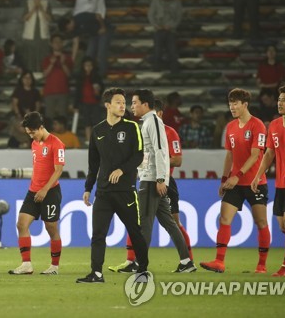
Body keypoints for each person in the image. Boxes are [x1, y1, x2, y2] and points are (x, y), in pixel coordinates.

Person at [109, 98, 193, 273]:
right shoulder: (144, 128)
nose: (133, 107)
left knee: (145, 222)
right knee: (168, 223)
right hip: (154, 179)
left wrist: (160, 177)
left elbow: (174, 159)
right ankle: (186, 261)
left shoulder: (167, 132)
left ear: (158, 113)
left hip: (158, 181)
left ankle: (140, 263)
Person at [76, 88, 149, 283]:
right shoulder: (97, 130)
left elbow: (139, 155)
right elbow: (93, 163)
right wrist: (87, 188)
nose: (122, 105)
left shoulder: (132, 127)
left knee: (135, 231)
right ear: (107, 105)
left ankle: (142, 270)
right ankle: (96, 273)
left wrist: (122, 170)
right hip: (103, 192)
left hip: (125, 191)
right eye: (118, 102)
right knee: (98, 234)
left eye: (124, 102)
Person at [200, 88, 270, 274]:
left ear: (245, 104)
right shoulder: (230, 127)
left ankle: (261, 265)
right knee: (224, 218)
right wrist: (224, 179)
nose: (232, 107)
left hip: (255, 182)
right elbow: (229, 155)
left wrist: (236, 175)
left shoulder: (258, 125)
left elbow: (256, 155)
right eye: (230, 104)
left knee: (261, 222)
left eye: (235, 103)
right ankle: (219, 261)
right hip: (235, 183)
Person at [251, 84, 285, 277]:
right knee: (283, 226)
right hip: (281, 183)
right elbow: (268, 154)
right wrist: (258, 175)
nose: (280, 103)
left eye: (284, 100)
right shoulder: (274, 125)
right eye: (279, 99)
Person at [9, 111, 65, 275]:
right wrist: (36, 186)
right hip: (33, 191)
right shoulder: (34, 144)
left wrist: (45, 189)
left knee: (51, 228)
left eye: (33, 132)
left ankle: (54, 266)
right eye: (28, 133)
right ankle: (26, 264)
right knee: (21, 224)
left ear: (41, 127)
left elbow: (59, 170)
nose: (31, 136)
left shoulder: (56, 143)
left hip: (50, 191)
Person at [147, 0, 182, 72]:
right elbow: (151, 15)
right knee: (157, 50)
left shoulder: (177, 2)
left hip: (171, 30)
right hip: (158, 29)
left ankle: (174, 69)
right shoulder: (155, 1)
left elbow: (178, 17)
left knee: (172, 50)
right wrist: (156, 25)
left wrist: (171, 26)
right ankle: (156, 68)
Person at [42, 33, 73, 120]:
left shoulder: (67, 58)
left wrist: (63, 63)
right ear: (51, 44)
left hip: (63, 91)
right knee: (49, 117)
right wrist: (51, 63)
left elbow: (69, 75)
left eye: (60, 42)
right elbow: (44, 74)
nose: (57, 44)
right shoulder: (47, 58)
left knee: (62, 118)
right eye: (55, 42)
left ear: (62, 43)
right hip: (49, 92)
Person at [74, 56, 104, 142]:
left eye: (90, 65)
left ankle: (97, 140)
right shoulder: (80, 77)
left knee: (96, 122)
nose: (88, 67)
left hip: (95, 102)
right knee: (87, 122)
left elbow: (101, 88)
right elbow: (77, 92)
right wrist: (76, 105)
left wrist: (98, 90)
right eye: (86, 65)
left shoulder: (97, 76)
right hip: (84, 102)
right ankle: (88, 139)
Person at [21, 0, 52, 72]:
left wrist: (41, 9)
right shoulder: (28, 2)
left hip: (43, 36)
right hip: (30, 36)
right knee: (30, 58)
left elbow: (50, 18)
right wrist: (34, 9)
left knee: (42, 58)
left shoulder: (46, 3)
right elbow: (24, 18)